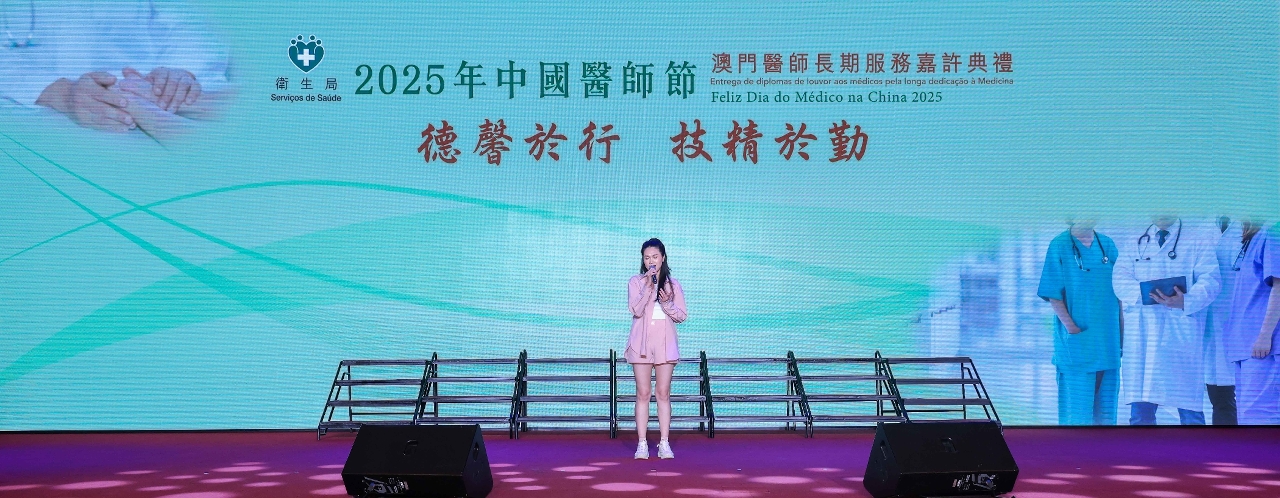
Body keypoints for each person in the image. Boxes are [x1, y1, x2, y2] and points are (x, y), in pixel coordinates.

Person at [0, 0, 229, 136]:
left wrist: (179, 72)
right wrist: (56, 90)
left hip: (152, 101)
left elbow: (196, 19)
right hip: (31, 112)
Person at [1113, 215, 1220, 425]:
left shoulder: (1197, 239)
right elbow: (1119, 278)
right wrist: (1145, 293)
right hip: (1144, 334)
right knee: (1141, 411)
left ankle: (1197, 448)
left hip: (1180, 331)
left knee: (1189, 412)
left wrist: (1185, 301)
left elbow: (1211, 280)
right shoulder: (1135, 241)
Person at [1037, 219, 1122, 425]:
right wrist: (1072, 329)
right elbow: (1053, 294)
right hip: (1077, 340)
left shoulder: (1107, 244)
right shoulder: (1059, 245)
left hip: (1108, 342)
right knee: (1077, 417)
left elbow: (1120, 291)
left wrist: (1121, 334)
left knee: (1106, 416)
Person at [624, 238, 686, 459]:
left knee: (663, 393)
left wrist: (667, 302)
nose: (651, 261)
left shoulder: (673, 284)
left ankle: (664, 443)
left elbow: (681, 315)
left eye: (655, 257)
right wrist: (648, 287)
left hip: (665, 345)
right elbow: (635, 310)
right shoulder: (636, 282)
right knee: (643, 393)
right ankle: (642, 443)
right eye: (647, 257)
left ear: (663, 258)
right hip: (641, 344)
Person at [1220, 221, 1280, 424]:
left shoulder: (1273, 231)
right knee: (1249, 418)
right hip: (1246, 346)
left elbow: (1279, 287)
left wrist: (1264, 335)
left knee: (1260, 417)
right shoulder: (1253, 236)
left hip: (1264, 347)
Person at [1203, 216, 1248, 424]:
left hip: (1245, 322)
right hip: (1207, 322)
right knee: (1220, 397)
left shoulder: (1253, 226)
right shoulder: (1202, 226)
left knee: (1247, 399)